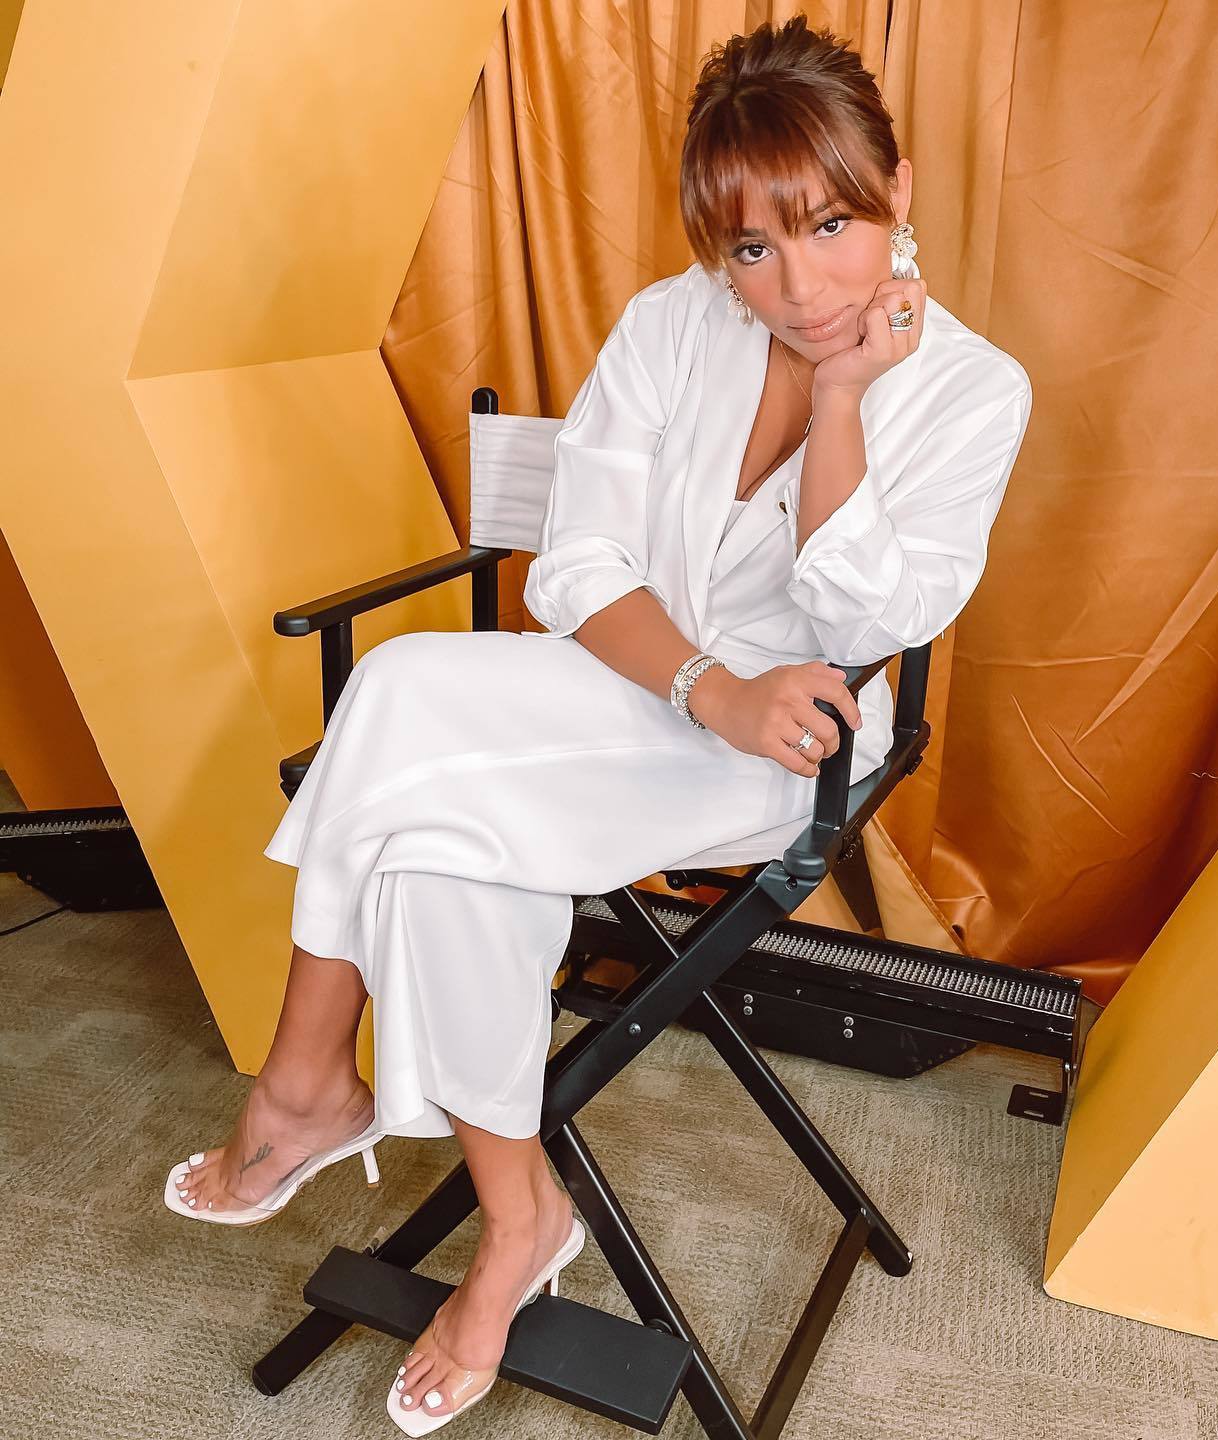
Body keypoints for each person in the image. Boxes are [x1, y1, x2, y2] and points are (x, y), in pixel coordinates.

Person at [162, 14, 1030, 1434]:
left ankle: (311, 1095)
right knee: (425, 784)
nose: (799, 284)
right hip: (629, 686)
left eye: (831, 226)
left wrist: (844, 400)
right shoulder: (671, 324)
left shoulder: (978, 390)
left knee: (409, 728)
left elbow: (867, 613)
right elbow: (575, 570)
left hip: (791, 747)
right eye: (753, 248)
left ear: (900, 192)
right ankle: (510, 1215)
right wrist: (702, 681)